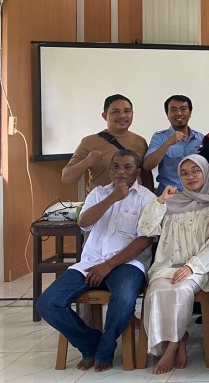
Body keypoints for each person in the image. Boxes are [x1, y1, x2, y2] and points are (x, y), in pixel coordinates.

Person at [37, 150, 154, 371]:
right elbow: (84, 222)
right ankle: (91, 344)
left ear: (138, 172)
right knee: (47, 303)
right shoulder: (98, 194)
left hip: (127, 263)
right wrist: (113, 198)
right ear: (109, 170)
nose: (120, 171)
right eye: (115, 166)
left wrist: (108, 265)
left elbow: (145, 240)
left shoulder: (147, 198)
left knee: (123, 301)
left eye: (127, 167)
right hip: (89, 263)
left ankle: (105, 349)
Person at [137, 154, 209, 375]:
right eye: (184, 173)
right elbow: (146, 228)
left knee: (180, 290)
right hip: (166, 265)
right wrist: (161, 200)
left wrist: (191, 267)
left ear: (206, 173)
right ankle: (179, 338)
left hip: (198, 268)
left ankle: (173, 345)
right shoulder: (170, 203)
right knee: (156, 291)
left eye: (195, 171)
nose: (190, 176)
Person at [62, 94, 153, 193]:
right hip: (100, 201)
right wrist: (87, 161)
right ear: (104, 116)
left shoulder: (140, 141)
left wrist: (151, 199)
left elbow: (146, 177)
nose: (122, 116)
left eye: (127, 111)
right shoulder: (89, 142)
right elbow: (67, 178)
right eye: (115, 112)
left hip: (133, 201)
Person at [143, 95, 205, 195]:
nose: (178, 113)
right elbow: (147, 165)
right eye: (173, 110)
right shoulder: (159, 137)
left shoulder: (200, 138)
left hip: (197, 196)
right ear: (167, 114)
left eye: (183, 109)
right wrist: (168, 143)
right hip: (169, 196)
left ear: (190, 113)